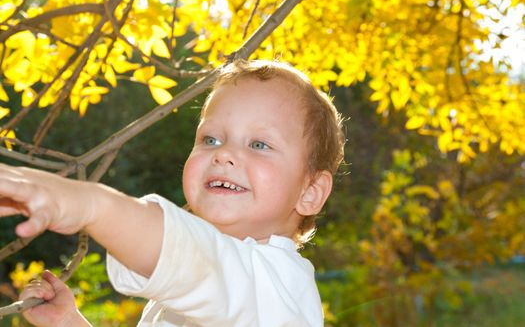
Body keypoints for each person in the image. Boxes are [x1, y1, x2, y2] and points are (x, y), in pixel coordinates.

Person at [2, 59, 345, 326]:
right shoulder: (184, 294)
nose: (222, 153)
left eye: (259, 144)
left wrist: (91, 204)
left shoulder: (282, 287)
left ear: (311, 191)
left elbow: (194, 257)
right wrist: (69, 322)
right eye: (211, 139)